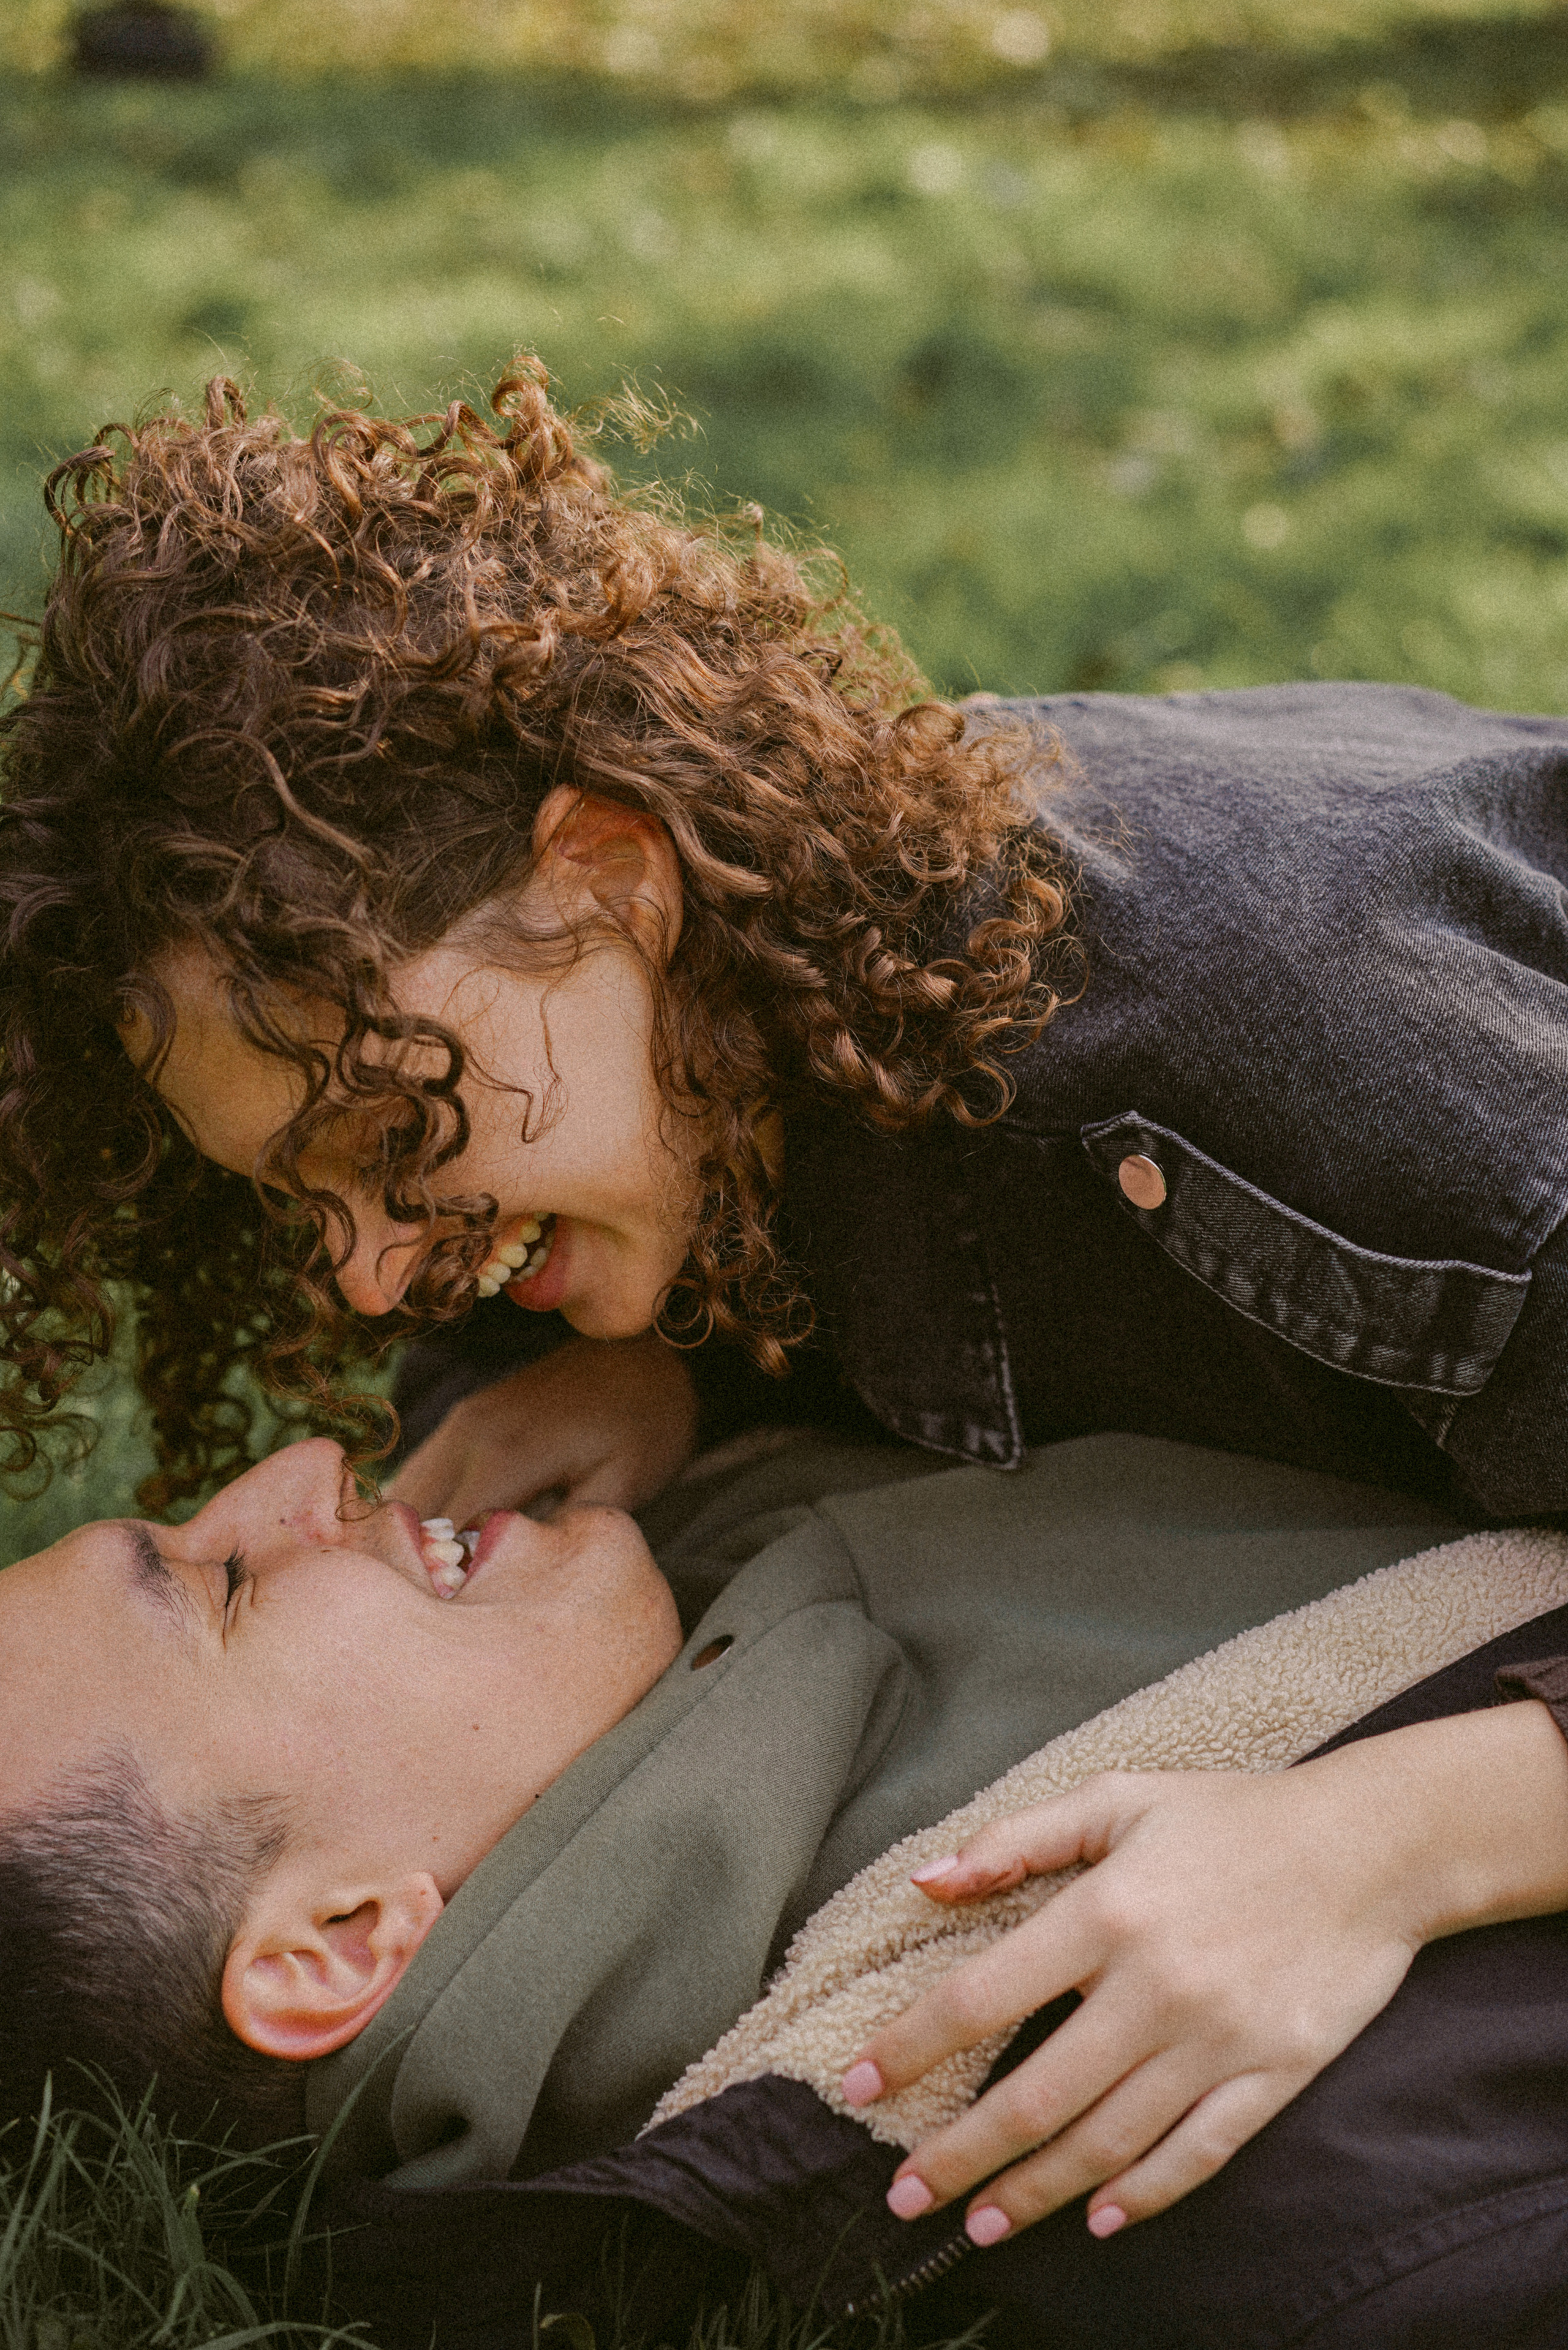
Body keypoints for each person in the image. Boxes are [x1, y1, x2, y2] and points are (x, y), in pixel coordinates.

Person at [5, 359, 1568, 2299]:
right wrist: (646, 1356)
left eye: (387, 1131)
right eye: (290, 1192)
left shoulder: (1288, 1058)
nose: (367, 1278)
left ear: (603, 876)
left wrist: (1390, 1837)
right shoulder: (728, 1094)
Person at [4, 1422, 1568, 2350]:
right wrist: (1446, 1818)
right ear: (339, 1940)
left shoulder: (658, 1634)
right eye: (219, 1584)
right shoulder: (1200, 2145)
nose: (305, 1465)